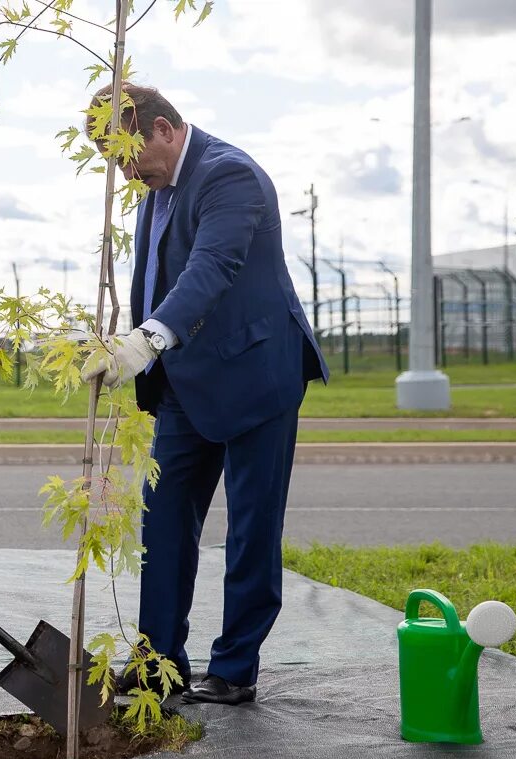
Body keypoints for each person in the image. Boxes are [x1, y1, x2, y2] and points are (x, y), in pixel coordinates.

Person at [82, 83, 328, 705]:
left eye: (128, 155)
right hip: (184, 386)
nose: (125, 171)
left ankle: (235, 668)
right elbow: (154, 275)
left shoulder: (231, 177)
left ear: (163, 128)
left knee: (250, 528)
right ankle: (158, 663)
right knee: (163, 524)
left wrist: (148, 339)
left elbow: (210, 269)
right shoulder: (153, 186)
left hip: (255, 376)